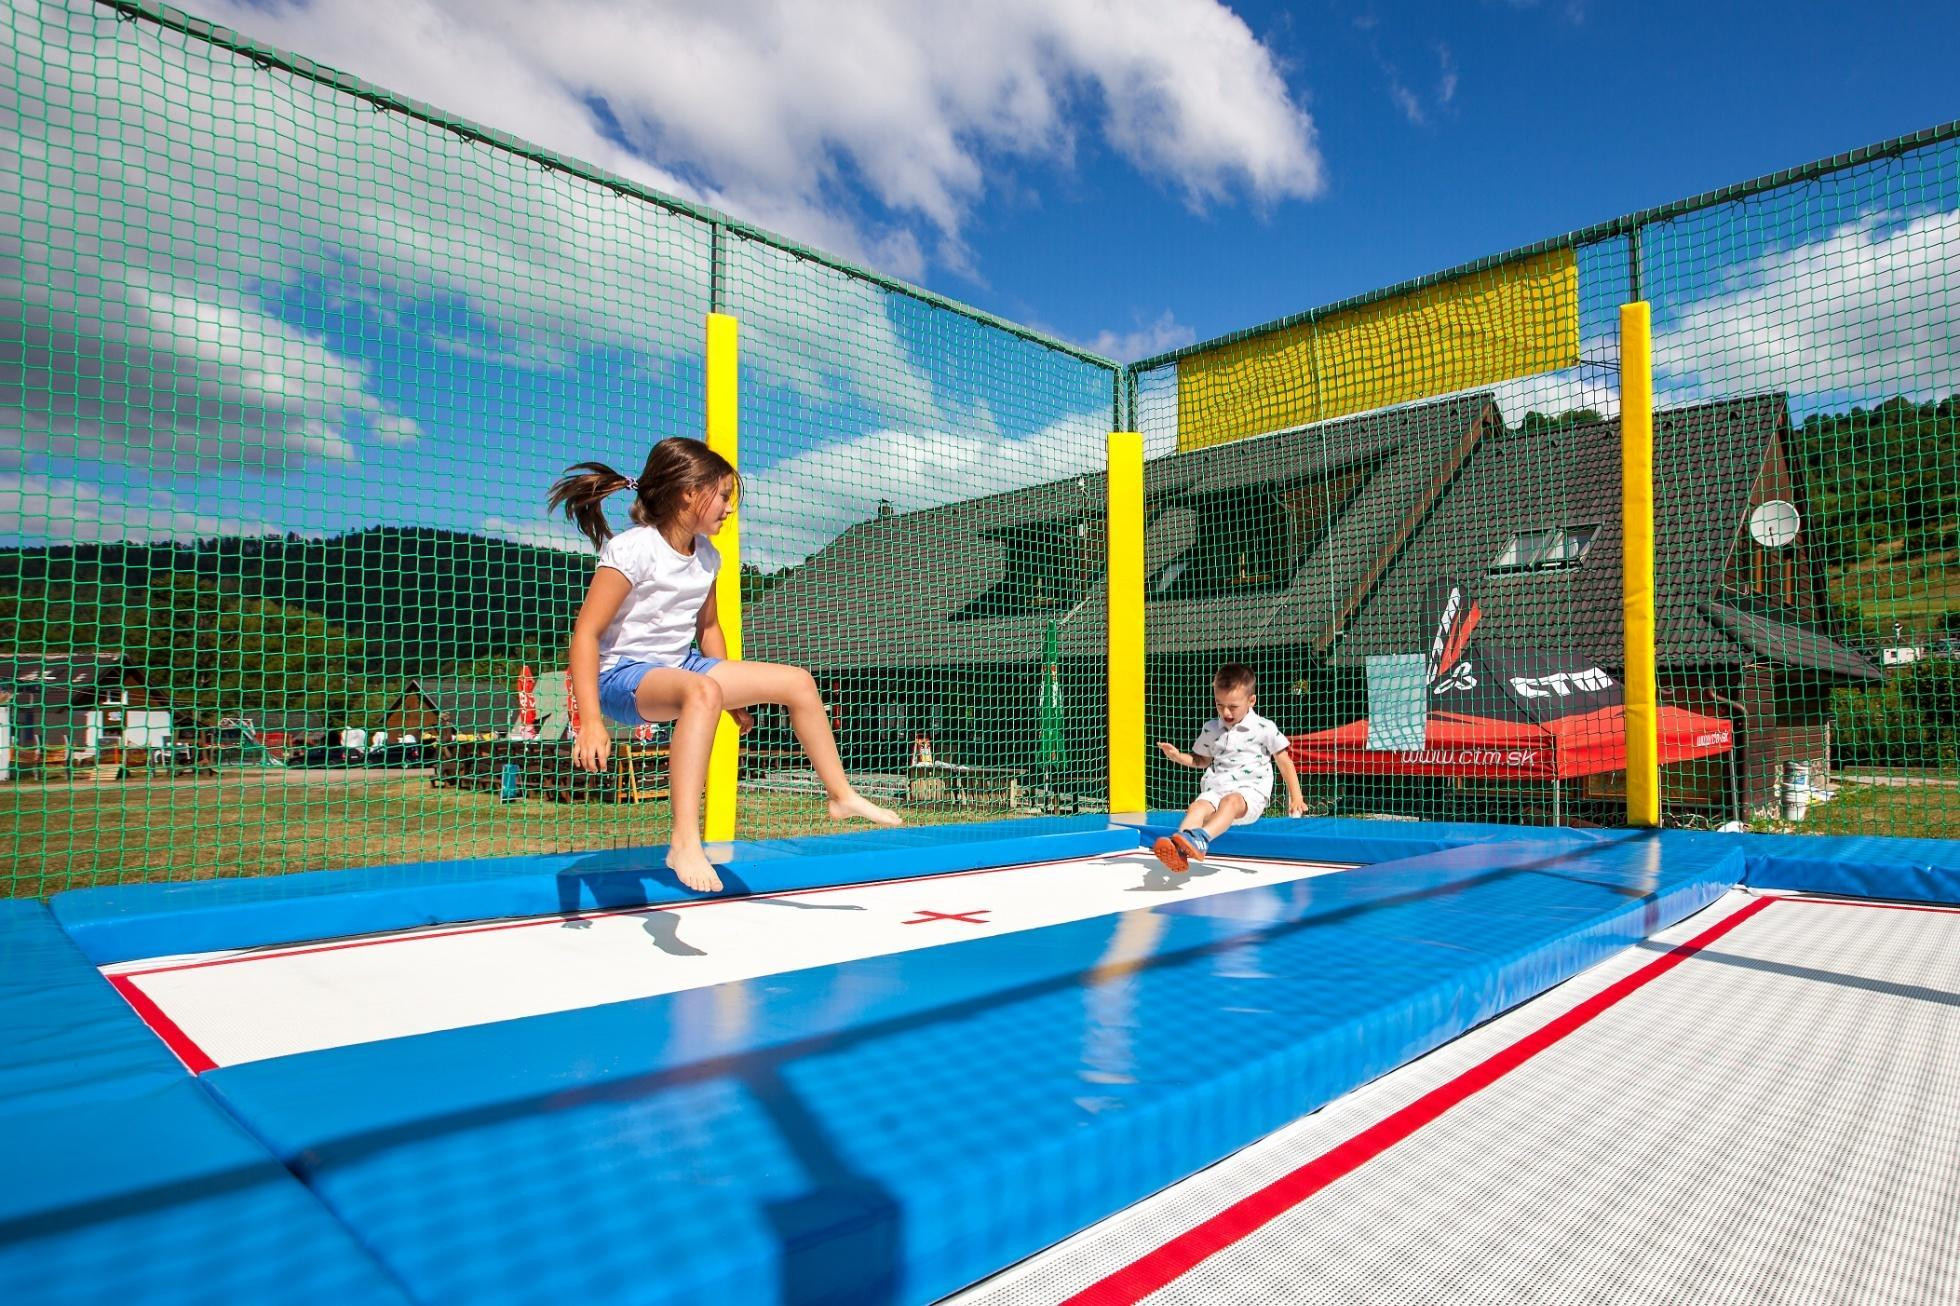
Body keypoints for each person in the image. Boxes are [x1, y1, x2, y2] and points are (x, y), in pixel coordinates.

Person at [551, 436, 900, 893]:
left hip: (683, 666)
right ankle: (683, 840)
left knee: (797, 681)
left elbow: (709, 628)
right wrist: (590, 721)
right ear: (687, 494)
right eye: (723, 496)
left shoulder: (707, 556)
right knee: (702, 690)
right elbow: (586, 634)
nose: (729, 508)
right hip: (622, 677)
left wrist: (733, 696)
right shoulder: (634, 549)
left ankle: (840, 794)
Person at [1151, 662, 1305, 873]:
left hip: (1249, 795)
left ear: (1251, 701)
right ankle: (1180, 849)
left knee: (1230, 801)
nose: (1225, 712)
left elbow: (1284, 761)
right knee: (1197, 807)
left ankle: (1201, 839)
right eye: (1219, 705)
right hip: (1216, 789)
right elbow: (1201, 760)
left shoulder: (1264, 728)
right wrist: (1178, 757)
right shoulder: (1211, 728)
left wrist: (1296, 796)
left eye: (1233, 707)